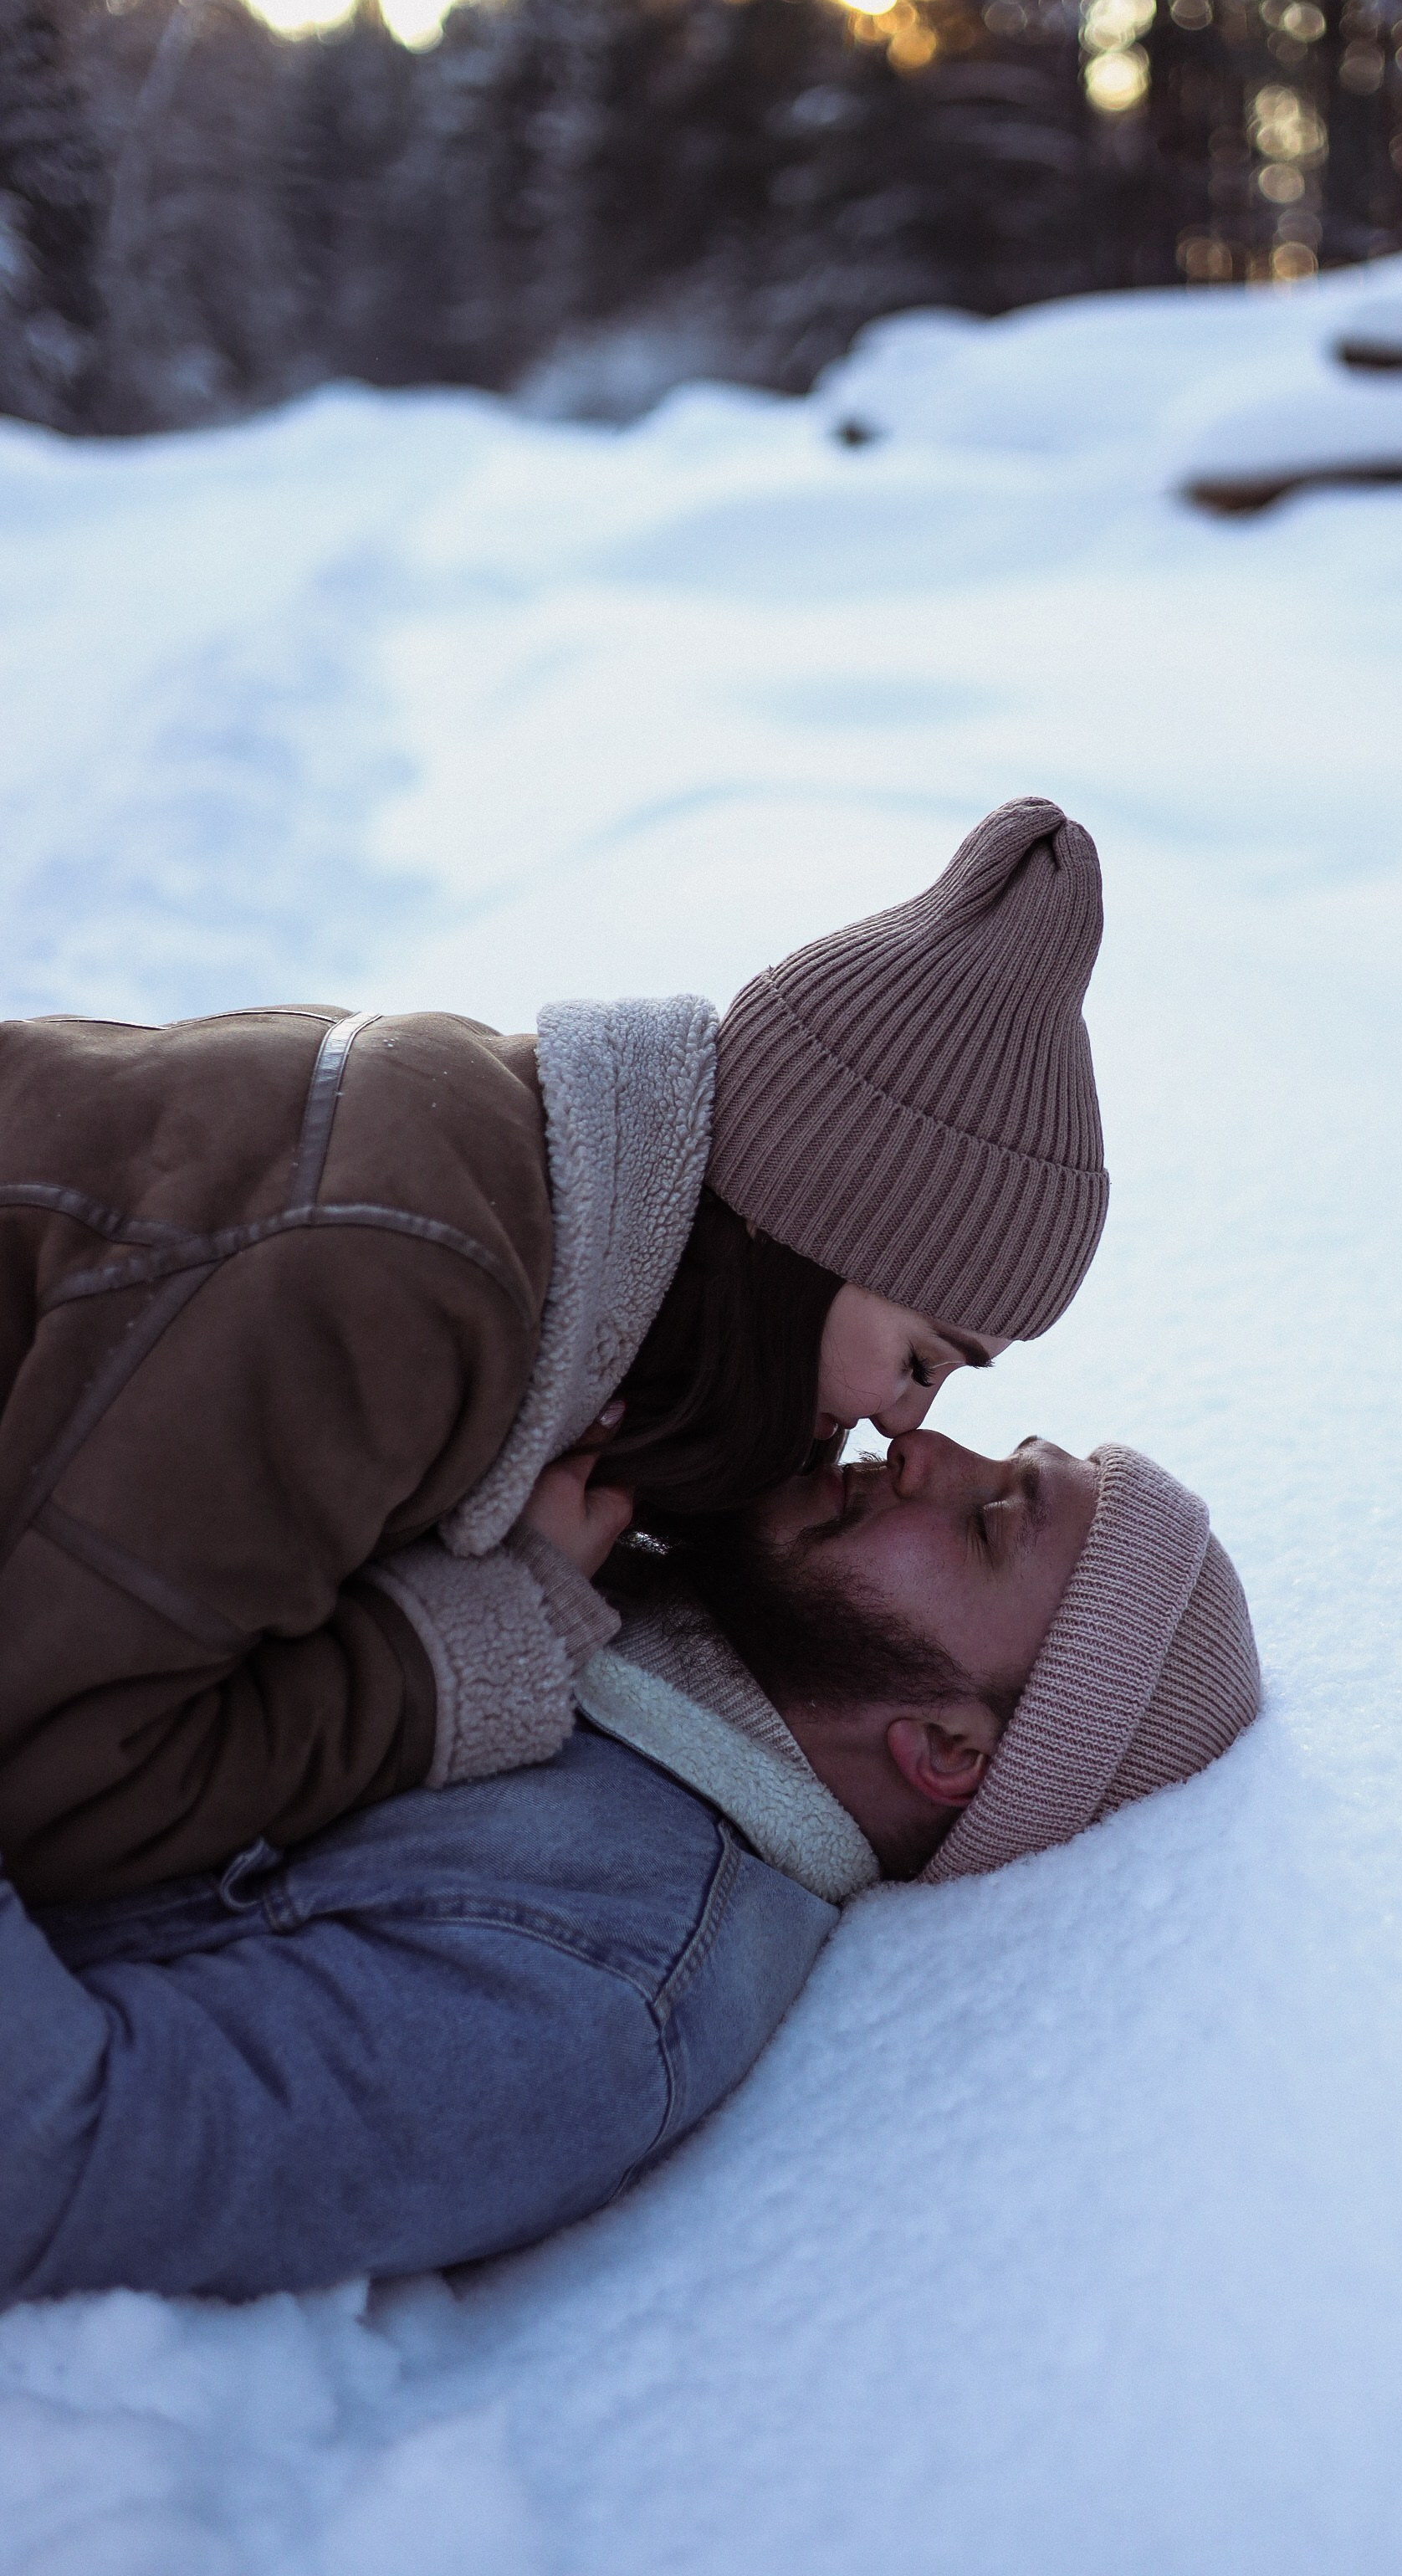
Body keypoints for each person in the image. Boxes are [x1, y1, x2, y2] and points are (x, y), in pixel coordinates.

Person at [0, 797, 1109, 1907]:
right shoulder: (401, 1282)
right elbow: (62, 1783)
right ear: (799, 1229)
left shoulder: (509, 1205)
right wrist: (476, 1643)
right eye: (922, 1360)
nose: (908, 1426)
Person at [0, 1428, 1261, 2305]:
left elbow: (54, 2150)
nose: (925, 1450)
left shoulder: (591, 1990)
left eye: (990, 1521)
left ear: (943, 1750)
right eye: (1005, 1455)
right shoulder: (623, 1539)